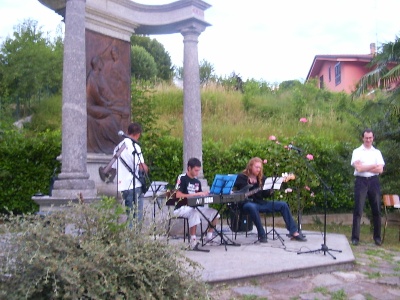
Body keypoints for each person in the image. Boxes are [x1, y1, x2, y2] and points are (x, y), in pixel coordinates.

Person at [233, 157, 306, 243]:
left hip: (260, 203)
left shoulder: (262, 178)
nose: (258, 169)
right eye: (256, 167)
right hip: (246, 204)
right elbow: (232, 191)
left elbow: (265, 194)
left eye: (260, 168)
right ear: (250, 166)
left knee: (283, 205)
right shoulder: (241, 177)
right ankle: (261, 234)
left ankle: (294, 232)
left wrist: (271, 190)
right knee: (251, 206)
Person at [174, 158, 220, 249]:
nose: (197, 172)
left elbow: (200, 198)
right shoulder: (182, 178)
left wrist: (208, 195)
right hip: (181, 207)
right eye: (195, 170)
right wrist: (197, 194)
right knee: (193, 213)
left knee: (215, 213)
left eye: (198, 170)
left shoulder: (197, 182)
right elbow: (177, 195)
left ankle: (209, 238)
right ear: (189, 168)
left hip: (195, 207)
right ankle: (193, 241)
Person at [350, 129, 385, 246]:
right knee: (358, 210)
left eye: (370, 138)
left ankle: (377, 238)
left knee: (376, 210)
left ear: (373, 138)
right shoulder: (357, 151)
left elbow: (380, 169)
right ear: (362, 138)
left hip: (374, 181)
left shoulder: (377, 153)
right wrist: (373, 165)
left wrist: (365, 166)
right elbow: (358, 169)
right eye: (366, 138)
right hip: (361, 181)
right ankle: (355, 238)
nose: (368, 140)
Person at [112, 122, 148, 227]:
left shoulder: (117, 148)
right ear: (138, 134)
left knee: (130, 216)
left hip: (123, 186)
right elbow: (141, 167)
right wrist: (147, 168)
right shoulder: (135, 146)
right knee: (137, 218)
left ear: (127, 132)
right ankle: (134, 241)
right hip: (135, 185)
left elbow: (114, 167)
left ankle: (129, 241)